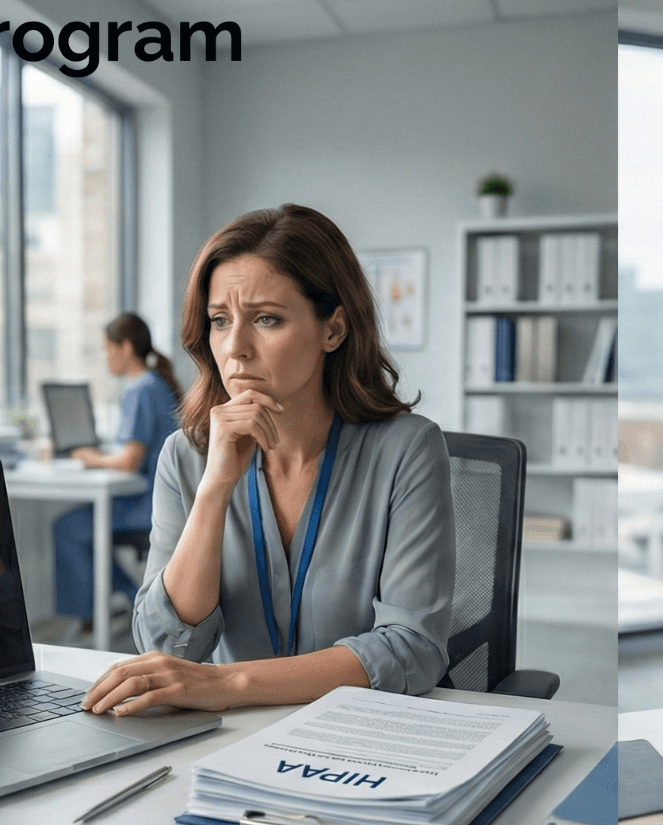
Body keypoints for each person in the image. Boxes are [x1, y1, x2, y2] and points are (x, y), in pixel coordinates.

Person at [82, 204, 455, 716]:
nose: (235, 348)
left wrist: (225, 684)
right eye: (219, 320)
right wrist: (213, 491)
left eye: (266, 319)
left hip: (362, 736)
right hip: (229, 745)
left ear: (333, 330)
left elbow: (413, 649)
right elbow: (167, 650)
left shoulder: (407, 450)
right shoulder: (185, 457)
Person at [51, 313, 182, 636]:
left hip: (147, 507)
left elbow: (129, 462)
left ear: (125, 347)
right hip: (160, 499)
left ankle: (94, 617)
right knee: (86, 528)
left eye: (108, 349)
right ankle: (125, 596)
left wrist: (93, 458)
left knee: (68, 527)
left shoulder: (140, 389)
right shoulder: (156, 384)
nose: (106, 357)